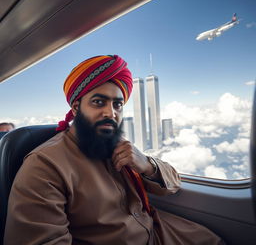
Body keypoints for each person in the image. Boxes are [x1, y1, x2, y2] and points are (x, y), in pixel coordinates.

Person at [4, 55, 224, 245]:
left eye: (117, 104)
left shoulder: (118, 146)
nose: (111, 113)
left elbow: (174, 183)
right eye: (99, 102)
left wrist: (147, 165)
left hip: (159, 233)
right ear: (76, 108)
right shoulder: (44, 166)